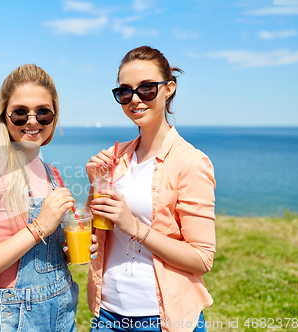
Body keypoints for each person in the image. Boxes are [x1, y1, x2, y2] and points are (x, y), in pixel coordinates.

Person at [0, 64, 95, 332]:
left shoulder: (49, 170)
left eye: (43, 112)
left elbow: (37, 252)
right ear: (3, 116)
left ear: (54, 117)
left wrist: (65, 251)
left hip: (61, 314)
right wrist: (39, 227)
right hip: (15, 319)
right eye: (20, 113)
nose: (33, 121)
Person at [86, 46, 216, 332]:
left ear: (169, 89)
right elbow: (97, 231)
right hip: (106, 315)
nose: (134, 99)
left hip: (162, 319)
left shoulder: (191, 162)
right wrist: (95, 183)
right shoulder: (115, 158)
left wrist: (135, 227)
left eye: (146, 88)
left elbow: (202, 259)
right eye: (125, 91)